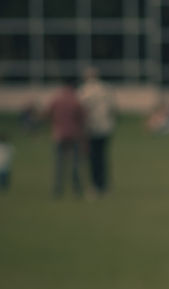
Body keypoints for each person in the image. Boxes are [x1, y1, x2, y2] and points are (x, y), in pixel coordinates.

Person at [77, 66, 116, 197]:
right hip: (106, 127)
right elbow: (112, 108)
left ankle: (95, 186)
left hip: (92, 128)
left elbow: (81, 110)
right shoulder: (106, 89)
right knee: (102, 157)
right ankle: (104, 185)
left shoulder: (84, 91)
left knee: (93, 158)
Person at [45, 77, 86, 198]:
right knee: (75, 163)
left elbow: (48, 114)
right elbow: (82, 118)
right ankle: (76, 188)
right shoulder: (76, 100)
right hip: (74, 134)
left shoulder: (56, 99)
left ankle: (58, 188)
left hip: (59, 134)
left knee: (59, 163)